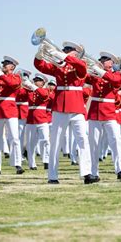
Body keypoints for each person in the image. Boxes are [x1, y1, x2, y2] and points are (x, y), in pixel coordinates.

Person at [34, 40, 94, 184]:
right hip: (60, 107)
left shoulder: (81, 64)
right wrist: (39, 54)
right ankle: (52, 176)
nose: (65, 51)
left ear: (76, 53)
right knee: (55, 142)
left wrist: (60, 55)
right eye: (64, 49)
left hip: (77, 107)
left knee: (83, 140)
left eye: (69, 50)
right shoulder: (59, 66)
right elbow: (40, 66)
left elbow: (79, 66)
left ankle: (86, 173)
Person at [85, 51, 121, 181]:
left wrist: (99, 71)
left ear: (111, 62)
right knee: (94, 144)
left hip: (109, 113)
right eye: (101, 59)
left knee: (116, 141)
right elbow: (82, 76)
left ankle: (120, 170)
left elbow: (115, 81)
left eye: (105, 59)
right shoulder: (95, 75)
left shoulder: (116, 74)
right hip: (95, 113)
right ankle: (94, 172)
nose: (102, 61)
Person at [23, 73, 50, 170]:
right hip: (31, 119)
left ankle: (46, 161)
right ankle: (32, 164)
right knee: (31, 143)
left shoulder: (46, 90)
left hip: (42, 119)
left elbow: (43, 95)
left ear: (43, 82)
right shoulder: (29, 91)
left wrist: (31, 85)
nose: (36, 82)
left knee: (46, 140)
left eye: (38, 80)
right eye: (35, 80)